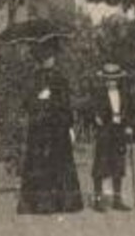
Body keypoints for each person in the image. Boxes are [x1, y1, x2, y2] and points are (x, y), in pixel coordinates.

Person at [16, 38, 85, 215]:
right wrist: (40, 98)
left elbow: (65, 103)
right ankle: (40, 204)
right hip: (39, 129)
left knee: (59, 164)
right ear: (41, 59)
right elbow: (26, 102)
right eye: (46, 57)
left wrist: (67, 121)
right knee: (39, 165)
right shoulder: (33, 78)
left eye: (51, 56)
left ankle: (63, 202)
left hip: (57, 129)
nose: (50, 60)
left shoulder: (60, 78)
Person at [89, 62, 135, 211]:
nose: (111, 82)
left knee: (118, 165)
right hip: (105, 131)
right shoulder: (98, 94)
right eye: (108, 79)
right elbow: (91, 110)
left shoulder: (124, 94)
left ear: (118, 80)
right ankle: (97, 200)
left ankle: (117, 200)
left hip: (119, 131)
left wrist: (128, 125)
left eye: (114, 79)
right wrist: (95, 118)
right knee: (101, 166)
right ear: (104, 80)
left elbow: (129, 111)